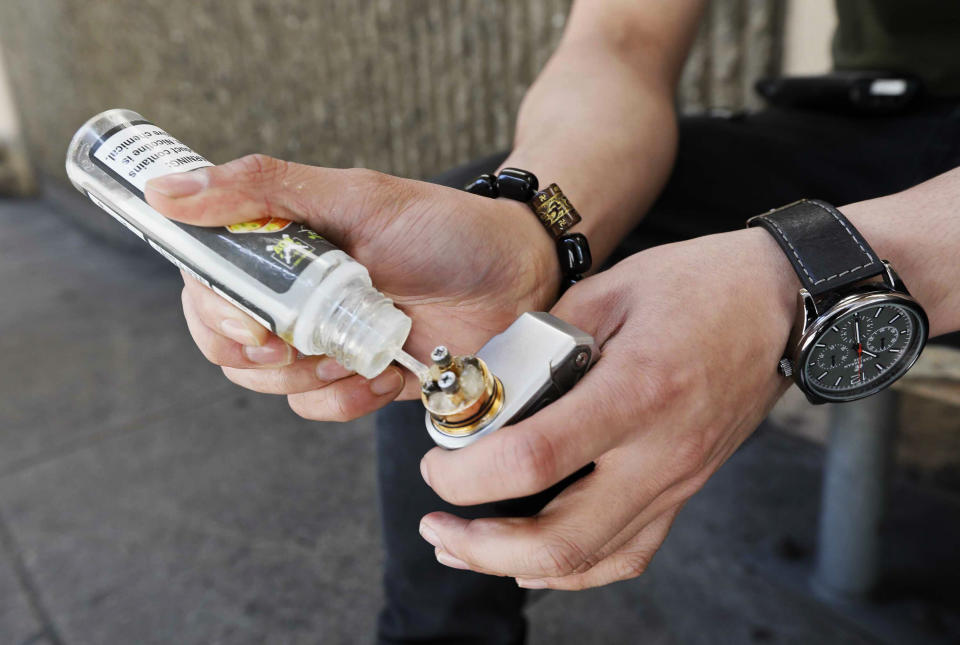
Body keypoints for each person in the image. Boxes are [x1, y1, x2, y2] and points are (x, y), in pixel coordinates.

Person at [143, 1, 960, 642]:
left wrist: (796, 275)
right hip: (872, 121)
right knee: (450, 271)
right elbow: (624, 38)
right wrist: (528, 226)